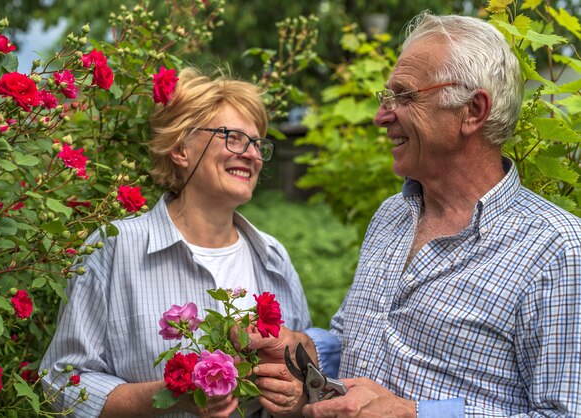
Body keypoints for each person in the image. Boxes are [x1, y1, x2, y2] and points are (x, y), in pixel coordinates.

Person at [249, 11, 581, 418]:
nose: (381, 116)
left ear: (473, 110)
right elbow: (354, 336)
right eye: (386, 98)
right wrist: (306, 349)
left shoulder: (556, 248)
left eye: (404, 96)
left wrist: (417, 414)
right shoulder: (392, 214)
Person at [40, 68, 312, 418]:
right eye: (233, 137)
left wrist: (294, 397)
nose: (252, 154)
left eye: (258, 144)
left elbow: (306, 374)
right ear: (181, 148)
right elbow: (60, 382)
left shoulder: (274, 258)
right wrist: (172, 394)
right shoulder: (116, 248)